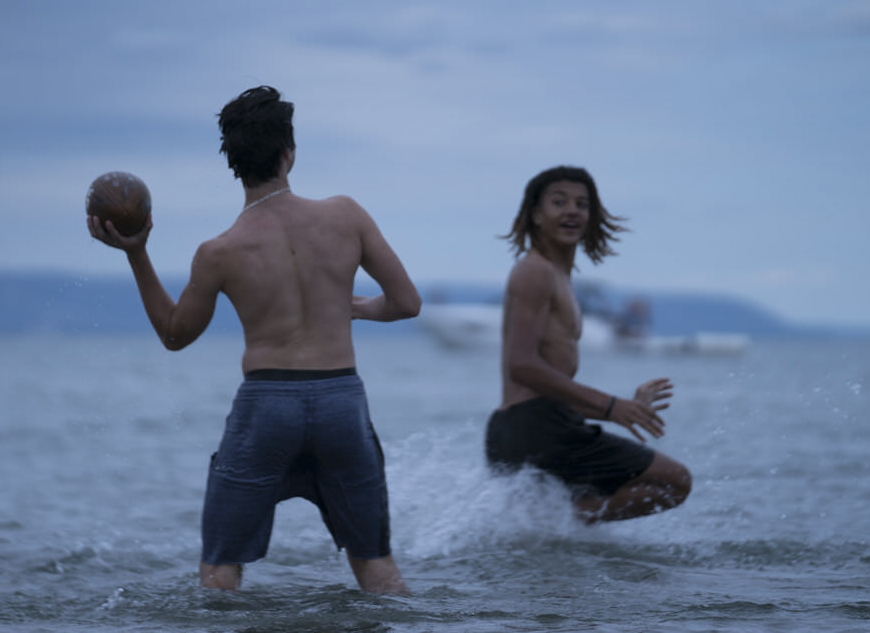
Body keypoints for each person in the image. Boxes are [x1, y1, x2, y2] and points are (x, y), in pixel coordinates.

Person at [88, 85, 421, 593]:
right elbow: (405, 303)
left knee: (221, 570)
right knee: (376, 565)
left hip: (268, 405)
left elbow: (175, 336)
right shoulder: (346, 216)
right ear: (290, 151)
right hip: (341, 402)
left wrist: (137, 253)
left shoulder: (220, 251)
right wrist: (350, 308)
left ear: (233, 164)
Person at [485, 166, 692, 522]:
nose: (572, 210)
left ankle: (558, 529)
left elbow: (546, 389)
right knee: (674, 481)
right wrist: (612, 407)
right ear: (535, 214)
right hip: (535, 426)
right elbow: (521, 365)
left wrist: (624, 408)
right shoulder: (535, 271)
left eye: (582, 204)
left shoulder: (559, 275)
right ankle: (571, 522)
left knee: (552, 562)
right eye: (559, 201)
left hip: (527, 425)